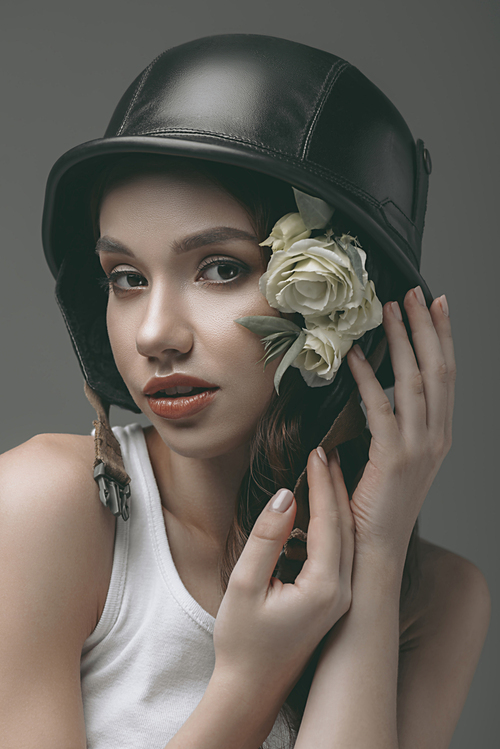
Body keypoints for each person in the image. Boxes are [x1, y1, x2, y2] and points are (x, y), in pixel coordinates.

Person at [0, 34, 490, 749]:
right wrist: (249, 681)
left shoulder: (439, 599)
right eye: (126, 278)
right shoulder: (46, 511)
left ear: (350, 300)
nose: (154, 335)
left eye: (221, 268)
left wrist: (375, 564)